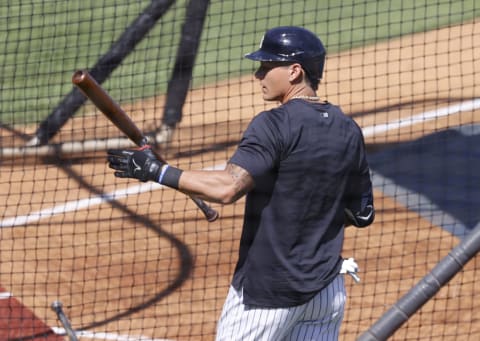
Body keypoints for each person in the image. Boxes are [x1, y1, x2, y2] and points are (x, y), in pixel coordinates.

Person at [107, 26, 375, 341]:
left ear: (294, 71)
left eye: (266, 66)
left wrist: (158, 172)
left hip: (267, 297)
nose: (257, 75)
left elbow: (227, 188)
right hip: (325, 293)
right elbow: (361, 214)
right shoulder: (348, 129)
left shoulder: (273, 124)